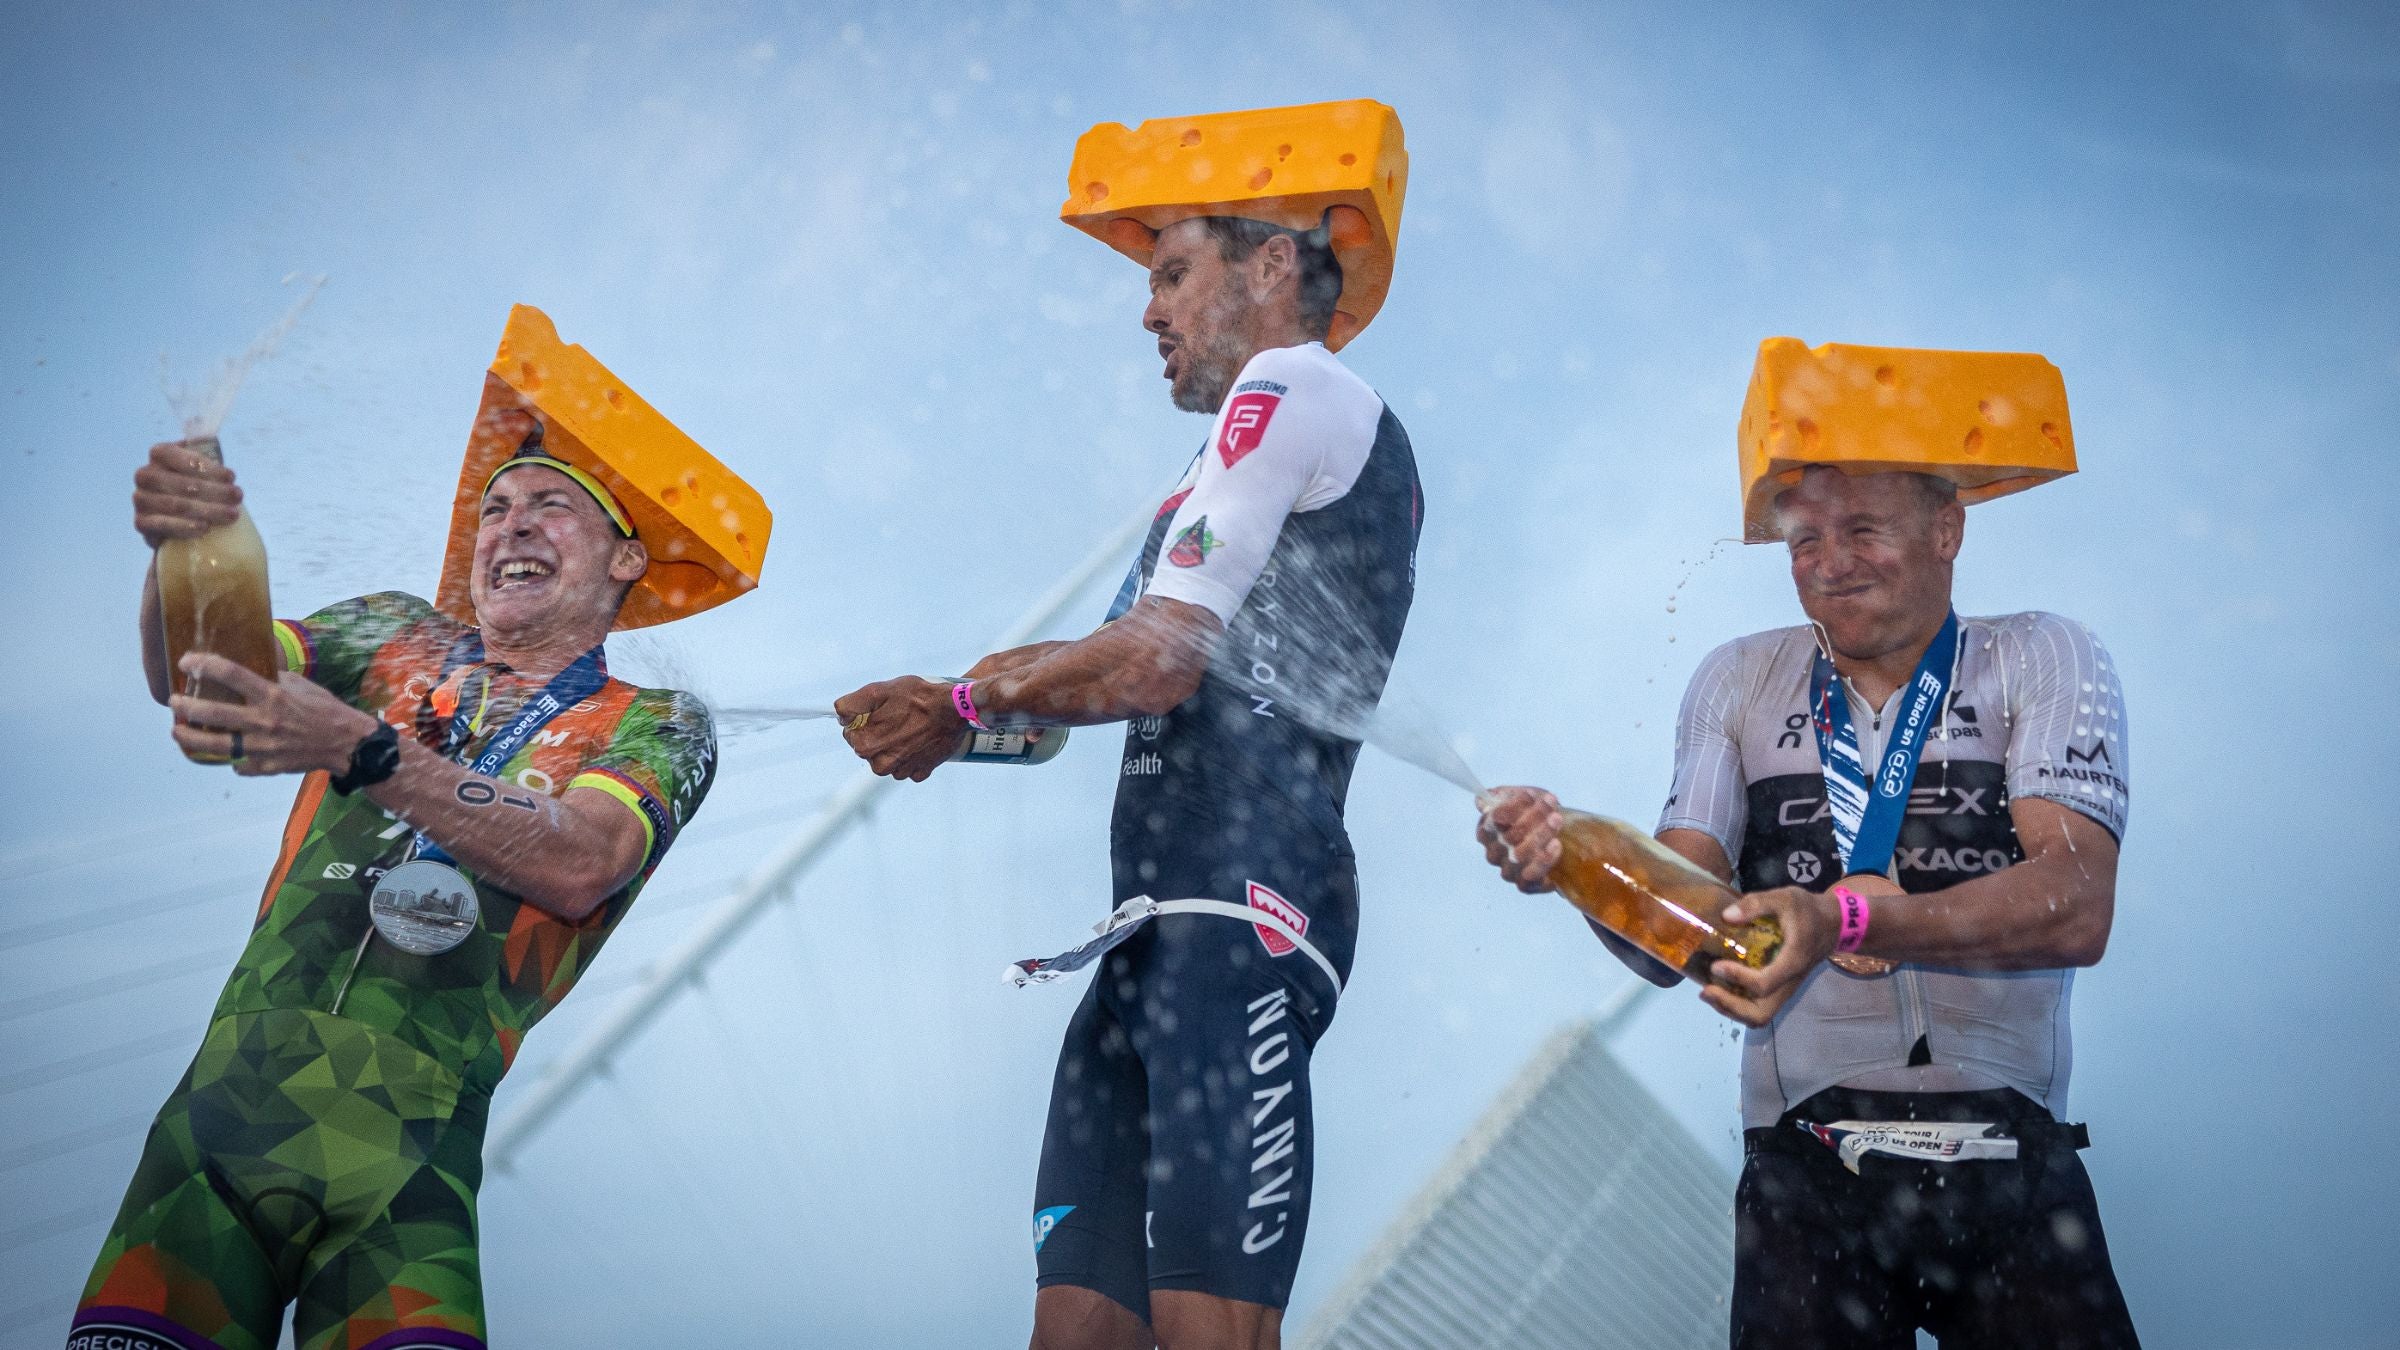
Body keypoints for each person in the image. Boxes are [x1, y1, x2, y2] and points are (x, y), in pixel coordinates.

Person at [836, 102, 1418, 1350]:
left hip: (1241, 919)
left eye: (1170, 272)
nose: (1147, 312)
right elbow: (1069, 708)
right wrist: (959, 719)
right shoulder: (1210, 477)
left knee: (1212, 1336)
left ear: (1271, 265)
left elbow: (1154, 665)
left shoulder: (1295, 384)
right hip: (1150, 937)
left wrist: (963, 700)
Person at [71, 308, 767, 1350]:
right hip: (206, 1154)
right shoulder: (392, 634)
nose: (510, 526)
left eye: (550, 506)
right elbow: (204, 684)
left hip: (408, 1180)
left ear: (628, 562)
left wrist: (370, 754)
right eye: (495, 509)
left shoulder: (659, 725)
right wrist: (194, 547)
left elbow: (584, 860)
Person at [1478, 343, 2140, 1348]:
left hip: (2011, 1155)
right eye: (1802, 540)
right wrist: (1573, 859)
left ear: (1948, 526)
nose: (1829, 564)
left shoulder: (2041, 652)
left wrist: (1851, 915)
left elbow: (2078, 900)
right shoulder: (1737, 679)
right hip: (1806, 1171)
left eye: (1865, 529)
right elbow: (1677, 933)